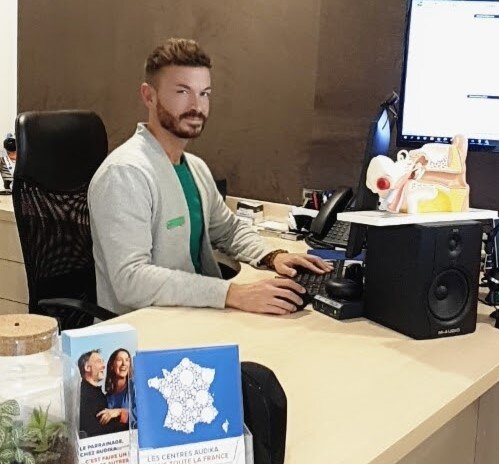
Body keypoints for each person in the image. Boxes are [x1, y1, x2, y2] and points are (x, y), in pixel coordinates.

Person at [89, 38, 332, 317]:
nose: (197, 105)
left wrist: (272, 256)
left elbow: (228, 230)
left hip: (190, 315)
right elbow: (131, 281)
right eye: (182, 91)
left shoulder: (195, 167)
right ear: (149, 96)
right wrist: (231, 294)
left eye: (204, 93)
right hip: (143, 329)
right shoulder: (125, 174)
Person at [78, 349, 128, 438]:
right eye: (98, 362)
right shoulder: (83, 395)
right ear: (87, 368)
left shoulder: (99, 394)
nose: (103, 366)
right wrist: (128, 428)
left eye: (102, 362)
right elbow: (93, 431)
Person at [100, 348, 134, 428]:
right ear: (112, 366)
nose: (124, 364)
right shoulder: (107, 397)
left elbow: (144, 415)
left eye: (127, 360)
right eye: (119, 360)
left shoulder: (136, 387)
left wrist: (119, 412)